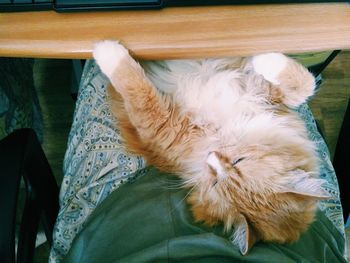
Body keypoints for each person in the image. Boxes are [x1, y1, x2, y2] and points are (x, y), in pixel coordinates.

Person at [49, 60, 346, 262]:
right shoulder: (280, 162)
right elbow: (281, 95)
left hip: (117, 216)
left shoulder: (205, 163)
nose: (214, 160)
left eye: (216, 177)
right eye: (237, 161)